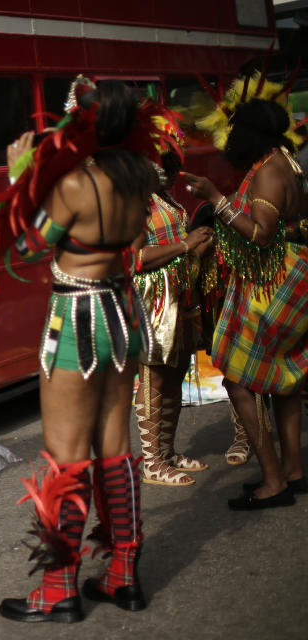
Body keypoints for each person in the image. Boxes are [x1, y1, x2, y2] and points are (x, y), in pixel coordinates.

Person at [0, 78, 171, 622]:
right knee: (117, 447)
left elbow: (27, 245)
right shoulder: (141, 175)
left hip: (77, 319)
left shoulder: (77, 185)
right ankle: (123, 575)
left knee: (68, 456)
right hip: (123, 313)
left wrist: (19, 177)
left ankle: (58, 587)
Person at [182, 72, 308, 509]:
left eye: (235, 132)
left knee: (238, 378)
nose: (229, 139)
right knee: (284, 382)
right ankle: (293, 470)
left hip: (276, 281)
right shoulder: (284, 161)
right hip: (291, 274)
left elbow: (260, 234)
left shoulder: (270, 171)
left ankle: (273, 481)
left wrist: (216, 198)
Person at [133, 148, 215, 486]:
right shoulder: (135, 201)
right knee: (154, 377)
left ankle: (166, 452)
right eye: (159, 165)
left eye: (169, 164)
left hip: (177, 293)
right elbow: (137, 257)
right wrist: (185, 244)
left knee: (175, 373)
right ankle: (151, 462)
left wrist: (199, 245)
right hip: (153, 300)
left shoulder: (161, 196)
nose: (167, 171)